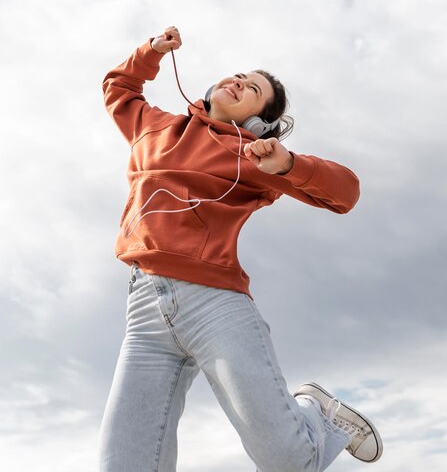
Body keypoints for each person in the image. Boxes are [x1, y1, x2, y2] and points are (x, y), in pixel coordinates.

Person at [98, 26, 383, 472]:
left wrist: (287, 164)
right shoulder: (152, 127)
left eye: (253, 89)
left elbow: (346, 193)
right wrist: (150, 51)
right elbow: (119, 87)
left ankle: (321, 416)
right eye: (238, 76)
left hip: (214, 305)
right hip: (144, 312)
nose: (239, 82)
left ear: (258, 121)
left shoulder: (253, 155)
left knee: (290, 461)